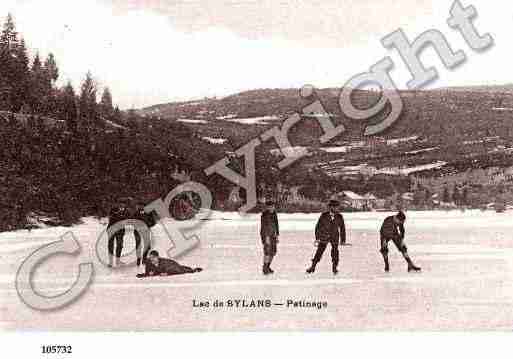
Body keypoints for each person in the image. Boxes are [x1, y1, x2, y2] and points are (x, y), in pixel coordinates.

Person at [306, 199, 346, 275]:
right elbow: (318, 227)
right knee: (319, 252)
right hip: (324, 237)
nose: (337, 209)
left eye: (337, 207)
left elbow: (342, 229)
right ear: (331, 207)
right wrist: (317, 237)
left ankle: (334, 268)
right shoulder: (324, 215)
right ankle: (312, 267)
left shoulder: (340, 216)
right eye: (336, 207)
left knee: (335, 252)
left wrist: (343, 240)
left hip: (334, 237)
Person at [136, 250, 202, 277]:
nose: (152, 259)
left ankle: (194, 269)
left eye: (153, 257)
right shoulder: (149, 262)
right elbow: (148, 273)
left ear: (158, 257)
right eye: (150, 258)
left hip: (172, 265)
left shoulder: (166, 263)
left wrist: (168, 273)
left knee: (181, 269)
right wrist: (143, 275)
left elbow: (178, 271)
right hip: (166, 268)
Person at [107, 201, 130, 267]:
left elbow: (127, 220)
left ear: (125, 205)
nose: (122, 205)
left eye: (123, 204)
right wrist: (120, 217)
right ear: (118, 204)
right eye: (120, 204)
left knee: (120, 245)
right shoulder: (113, 209)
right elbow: (111, 218)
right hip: (111, 229)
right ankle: (110, 262)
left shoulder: (127, 212)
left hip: (120, 230)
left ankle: (117, 261)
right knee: (111, 245)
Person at [260, 200, 279, 275]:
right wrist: (266, 237)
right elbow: (264, 227)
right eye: (271, 206)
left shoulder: (274, 213)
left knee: (273, 252)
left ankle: (267, 266)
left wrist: (277, 234)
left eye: (273, 206)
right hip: (266, 235)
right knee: (267, 252)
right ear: (268, 207)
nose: (273, 208)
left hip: (273, 235)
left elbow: (276, 224)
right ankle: (265, 268)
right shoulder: (264, 215)